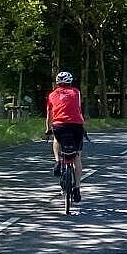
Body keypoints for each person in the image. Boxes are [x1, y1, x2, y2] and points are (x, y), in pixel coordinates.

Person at [46, 71, 86, 202]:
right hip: (76, 126)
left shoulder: (52, 95)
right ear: (70, 82)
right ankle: (78, 188)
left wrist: (48, 129)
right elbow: (79, 110)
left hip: (59, 126)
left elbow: (49, 115)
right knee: (77, 156)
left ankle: (57, 161)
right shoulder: (76, 92)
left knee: (56, 139)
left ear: (57, 82)